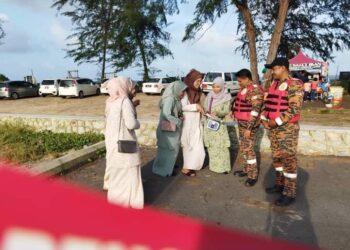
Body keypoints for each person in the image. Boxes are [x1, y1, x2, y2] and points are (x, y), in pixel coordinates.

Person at [261, 58, 304, 207]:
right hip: (273, 129)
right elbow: (269, 105)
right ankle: (280, 184)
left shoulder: (295, 84)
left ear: (284, 68)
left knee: (289, 161)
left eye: (274, 69)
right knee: (277, 158)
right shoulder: (274, 84)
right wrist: (265, 119)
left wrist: (276, 122)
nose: (272, 71)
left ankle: (289, 193)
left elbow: (293, 109)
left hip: (287, 130)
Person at [104, 76, 144, 209]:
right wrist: (139, 123)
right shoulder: (125, 101)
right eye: (132, 87)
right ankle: (133, 203)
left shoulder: (110, 102)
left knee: (117, 177)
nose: (134, 90)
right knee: (130, 174)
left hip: (113, 145)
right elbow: (131, 123)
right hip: (125, 144)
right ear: (124, 87)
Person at [232, 69, 264, 187]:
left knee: (249, 149)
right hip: (242, 123)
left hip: (249, 125)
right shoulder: (244, 89)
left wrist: (249, 128)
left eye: (240, 81)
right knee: (244, 148)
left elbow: (255, 111)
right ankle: (246, 169)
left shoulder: (255, 90)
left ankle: (252, 175)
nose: (239, 83)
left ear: (247, 79)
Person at [152, 81, 188, 177]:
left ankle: (168, 166)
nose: (183, 93)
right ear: (176, 89)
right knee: (169, 149)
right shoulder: (170, 99)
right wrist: (178, 121)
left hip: (171, 129)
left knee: (170, 149)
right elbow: (166, 114)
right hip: (168, 130)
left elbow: (175, 112)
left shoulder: (176, 99)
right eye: (182, 91)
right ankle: (165, 171)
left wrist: (179, 117)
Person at [203, 77, 232, 174]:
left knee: (222, 146)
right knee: (212, 146)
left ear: (222, 87)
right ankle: (214, 166)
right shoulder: (209, 95)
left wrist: (218, 113)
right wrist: (206, 112)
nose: (215, 89)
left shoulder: (226, 96)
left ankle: (224, 167)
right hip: (210, 124)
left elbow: (226, 110)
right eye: (214, 87)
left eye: (218, 87)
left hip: (220, 125)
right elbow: (205, 107)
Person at [181, 69, 206, 177]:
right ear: (191, 80)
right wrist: (195, 106)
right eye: (197, 80)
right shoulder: (185, 92)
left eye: (200, 81)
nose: (199, 83)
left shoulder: (199, 92)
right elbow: (182, 107)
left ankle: (192, 165)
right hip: (187, 123)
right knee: (188, 146)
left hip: (196, 122)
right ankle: (186, 168)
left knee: (198, 146)